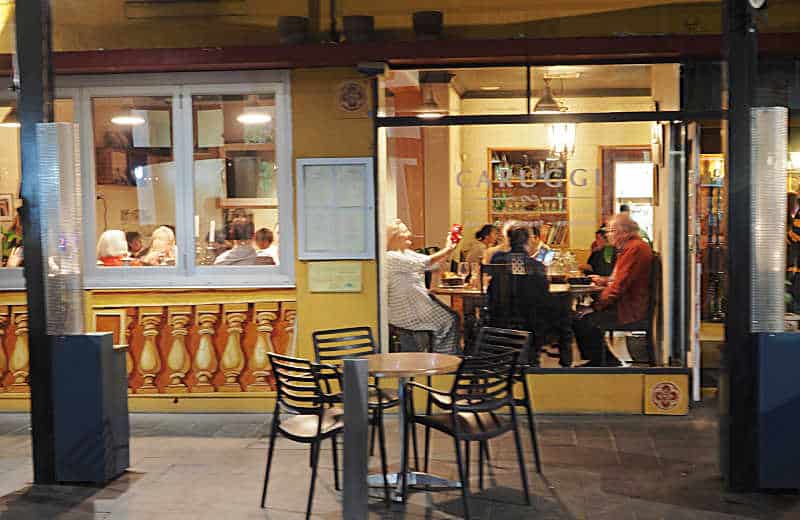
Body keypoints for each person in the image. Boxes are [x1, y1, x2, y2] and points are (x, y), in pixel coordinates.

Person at [573, 213, 653, 367]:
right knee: (581, 315)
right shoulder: (631, 247)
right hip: (627, 303)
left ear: (623, 232)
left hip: (629, 309)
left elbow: (619, 286)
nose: (607, 235)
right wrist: (603, 280)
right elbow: (618, 280)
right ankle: (602, 359)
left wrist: (595, 307)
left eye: (610, 231)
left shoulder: (634, 249)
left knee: (581, 318)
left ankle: (602, 362)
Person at [488, 222, 573, 366]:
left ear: (508, 239)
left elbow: (512, 279)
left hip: (498, 317)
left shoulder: (497, 259)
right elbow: (543, 296)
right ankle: (564, 361)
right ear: (528, 241)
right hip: (531, 322)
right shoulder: (537, 265)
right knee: (564, 309)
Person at [386, 219, 460, 354]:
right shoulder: (390, 256)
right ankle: (443, 357)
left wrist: (448, 249)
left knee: (452, 317)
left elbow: (433, 265)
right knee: (450, 319)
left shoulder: (406, 253)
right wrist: (447, 249)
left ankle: (442, 356)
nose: (409, 234)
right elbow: (423, 262)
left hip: (417, 307)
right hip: (406, 313)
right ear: (393, 236)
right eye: (405, 232)